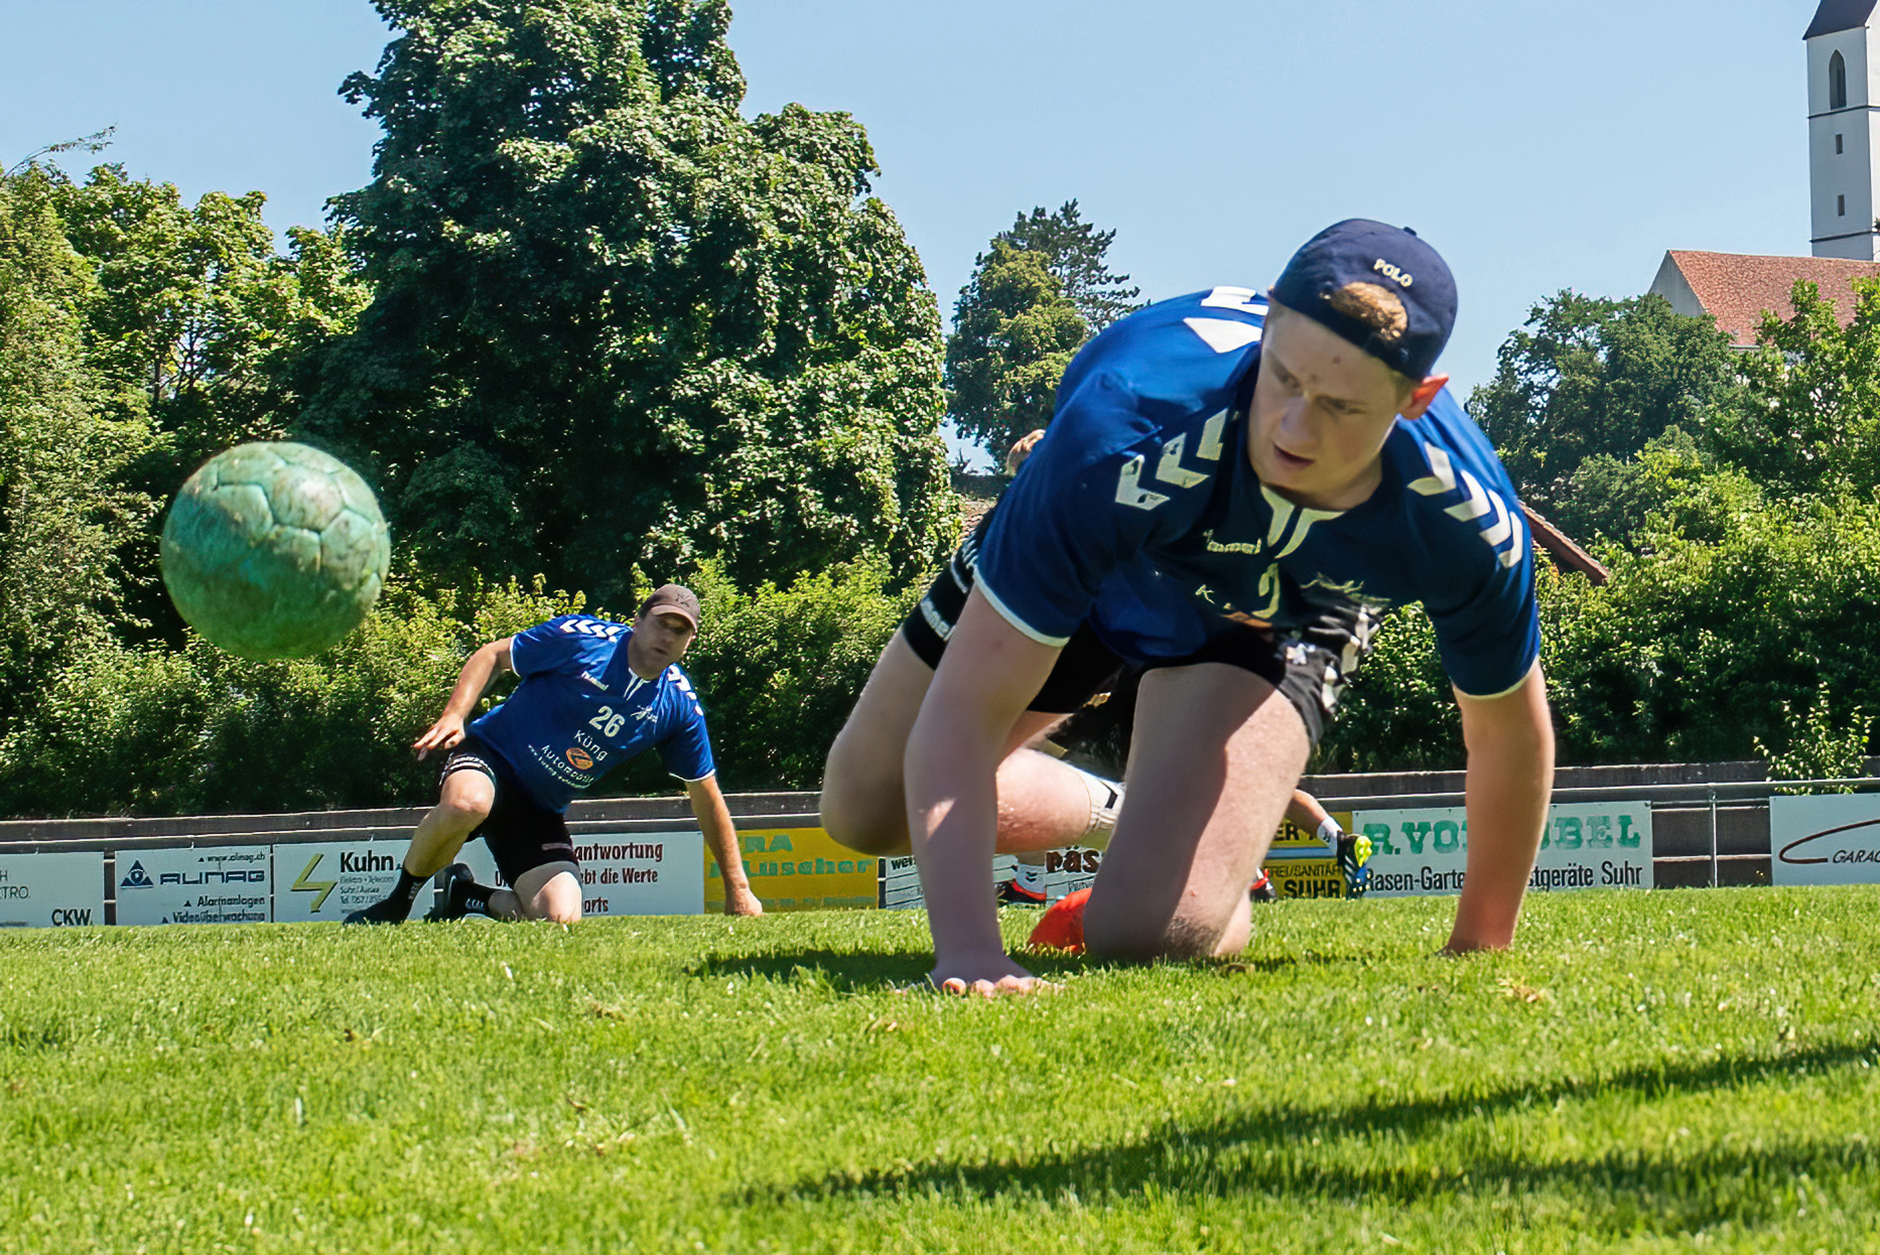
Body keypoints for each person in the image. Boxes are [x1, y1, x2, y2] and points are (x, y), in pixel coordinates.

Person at [820, 219, 1553, 994]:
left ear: (1416, 399)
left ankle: (1177, 839)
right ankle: (1121, 808)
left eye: (1342, 407)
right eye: (1286, 379)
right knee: (867, 806)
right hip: (1112, 563)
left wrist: (1480, 947)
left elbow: (1507, 729)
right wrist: (971, 951)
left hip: (1284, 614)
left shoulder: (1467, 514)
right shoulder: (1120, 430)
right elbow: (965, 710)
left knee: (1150, 932)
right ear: (1269, 318)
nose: (1296, 428)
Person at [345, 584, 763, 924]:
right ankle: (397, 903)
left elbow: (706, 795)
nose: (667, 636)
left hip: (538, 809)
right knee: (467, 804)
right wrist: (455, 715)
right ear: (637, 621)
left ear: (690, 642)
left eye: (680, 630)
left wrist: (739, 889)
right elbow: (494, 655)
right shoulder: (582, 639)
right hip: (491, 758)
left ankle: (466, 896)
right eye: (660, 623)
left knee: (559, 918)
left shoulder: (679, 707)